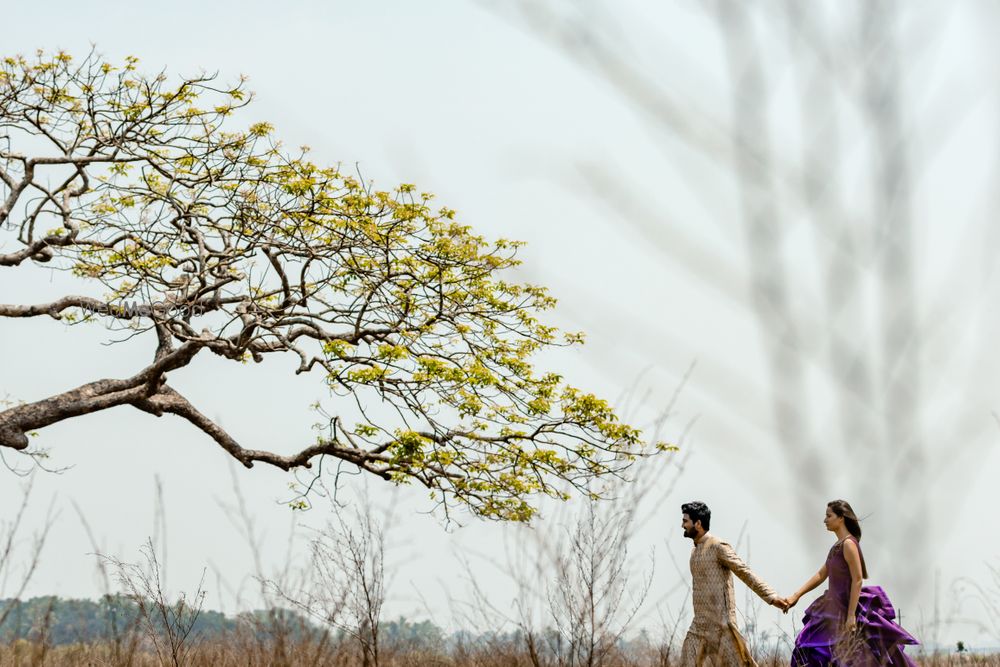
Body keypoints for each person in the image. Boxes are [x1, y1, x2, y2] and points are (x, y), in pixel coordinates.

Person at [782, 500, 919, 666]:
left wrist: (851, 616)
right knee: (807, 649)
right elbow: (821, 574)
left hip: (847, 608)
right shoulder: (837, 547)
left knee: (856, 656)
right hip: (831, 607)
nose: (825, 520)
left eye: (829, 516)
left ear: (841, 518)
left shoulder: (849, 544)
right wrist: (795, 596)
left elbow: (857, 579)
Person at [679, 501, 788, 666]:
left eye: (685, 521)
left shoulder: (718, 546)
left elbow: (744, 571)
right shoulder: (694, 551)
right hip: (698, 627)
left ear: (698, 523)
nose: (682, 525)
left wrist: (772, 597)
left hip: (722, 628)